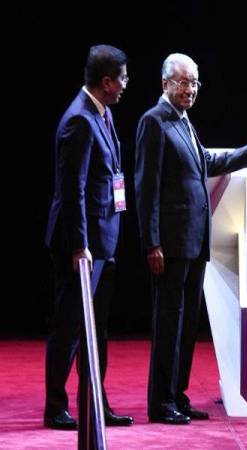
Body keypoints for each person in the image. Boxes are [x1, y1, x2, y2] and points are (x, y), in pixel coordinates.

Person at [135, 53, 247, 425]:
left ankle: (177, 396)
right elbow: (146, 187)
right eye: (184, 82)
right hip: (169, 243)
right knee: (168, 323)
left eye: (195, 83)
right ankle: (160, 402)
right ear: (165, 83)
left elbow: (207, 162)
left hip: (195, 241)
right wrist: (152, 242)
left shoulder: (184, 121)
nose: (191, 89)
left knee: (186, 326)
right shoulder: (154, 122)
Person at [44, 45, 134, 429]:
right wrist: (80, 246)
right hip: (80, 246)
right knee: (69, 328)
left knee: (97, 329)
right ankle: (55, 406)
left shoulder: (103, 113)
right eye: (123, 78)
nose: (126, 85)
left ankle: (95, 402)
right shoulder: (79, 121)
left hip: (104, 239)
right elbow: (73, 191)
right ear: (107, 81)